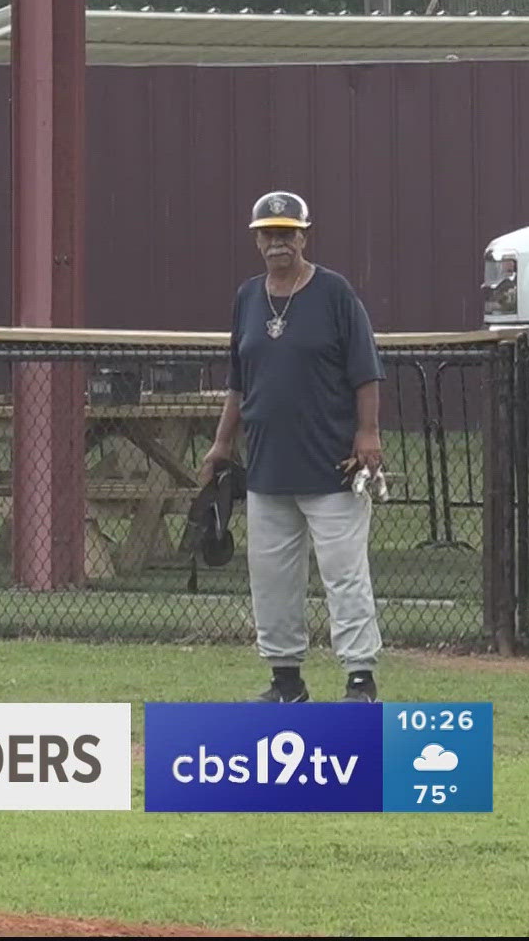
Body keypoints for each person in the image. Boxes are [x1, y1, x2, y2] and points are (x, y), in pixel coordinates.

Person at [197, 190, 386, 704]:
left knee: (344, 576)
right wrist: (220, 443)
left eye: (288, 232)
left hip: (332, 466)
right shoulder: (248, 298)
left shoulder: (334, 293)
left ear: (304, 236)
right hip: (268, 467)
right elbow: (239, 380)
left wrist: (367, 433)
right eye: (269, 233)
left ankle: (360, 680)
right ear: (257, 240)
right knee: (272, 579)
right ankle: (287, 683)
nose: (278, 241)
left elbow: (365, 370)